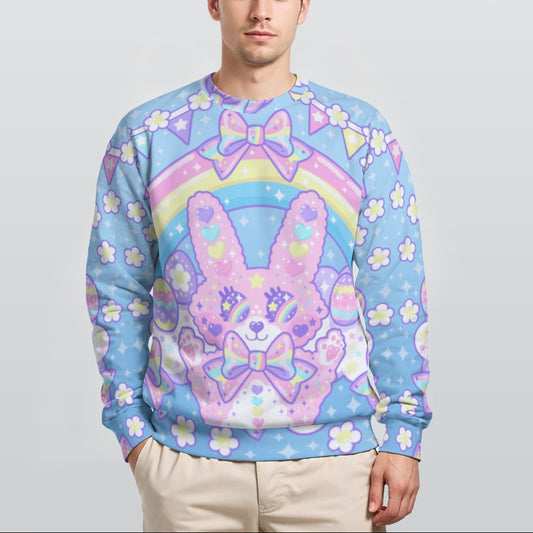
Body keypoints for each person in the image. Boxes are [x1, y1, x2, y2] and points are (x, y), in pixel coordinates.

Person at [85, 1, 431, 531]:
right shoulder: (147, 135)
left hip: (336, 468)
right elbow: (116, 288)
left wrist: (404, 435)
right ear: (214, 4)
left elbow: (395, 291)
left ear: (304, 6)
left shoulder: (361, 135)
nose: (261, 10)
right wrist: (132, 430)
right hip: (186, 468)